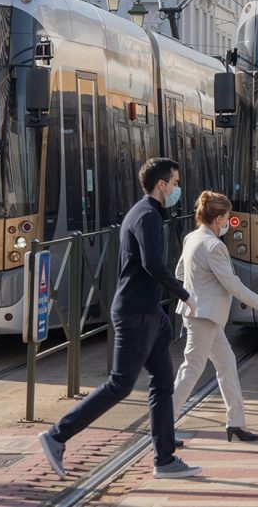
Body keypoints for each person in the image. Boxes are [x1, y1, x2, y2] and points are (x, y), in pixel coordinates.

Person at [39, 158, 200, 480]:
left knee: (163, 383)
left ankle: (165, 457)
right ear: (162, 185)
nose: (178, 189)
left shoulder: (148, 212)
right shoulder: (147, 216)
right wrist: (184, 294)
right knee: (120, 384)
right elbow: (152, 262)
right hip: (135, 313)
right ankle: (57, 435)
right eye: (176, 183)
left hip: (149, 312)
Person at [173, 191, 258, 442]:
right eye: (227, 216)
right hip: (204, 317)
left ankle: (236, 423)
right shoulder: (214, 246)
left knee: (227, 365)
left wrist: (198, 288)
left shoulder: (192, 238)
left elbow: (179, 273)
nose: (229, 221)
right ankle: (163, 424)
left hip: (200, 314)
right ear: (218, 218)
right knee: (192, 368)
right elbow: (233, 285)